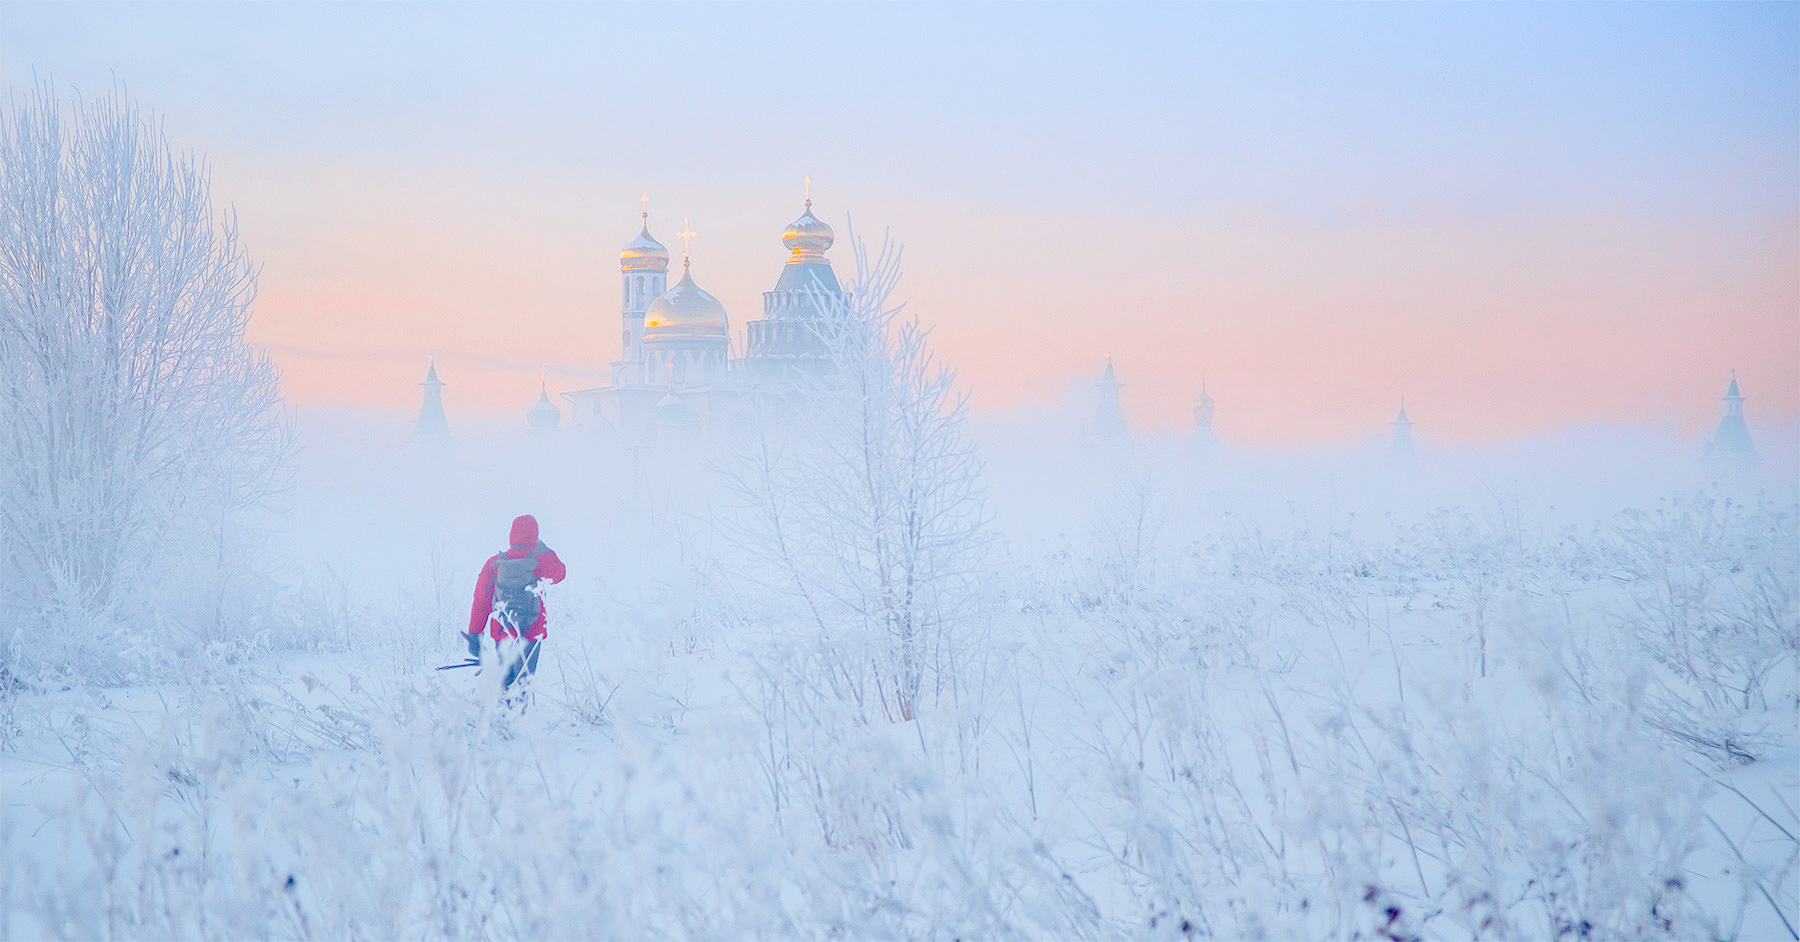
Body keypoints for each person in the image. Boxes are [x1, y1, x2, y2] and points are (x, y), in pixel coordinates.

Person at [466, 514, 567, 692]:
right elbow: (560, 572)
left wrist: (475, 634)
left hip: (502, 632)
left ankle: (505, 717)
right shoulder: (540, 562)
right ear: (534, 537)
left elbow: (481, 600)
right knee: (524, 688)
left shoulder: (494, 563)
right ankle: (522, 718)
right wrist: (542, 548)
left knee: (506, 686)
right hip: (531, 633)